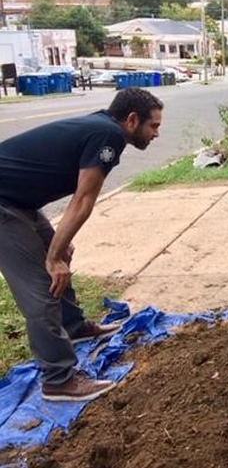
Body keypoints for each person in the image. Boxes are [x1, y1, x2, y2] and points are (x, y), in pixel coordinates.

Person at [0, 89, 163, 400]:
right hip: (4, 205)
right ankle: (58, 380)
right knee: (42, 288)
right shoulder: (109, 136)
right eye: (153, 126)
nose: (156, 133)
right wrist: (53, 256)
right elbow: (84, 199)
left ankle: (73, 327)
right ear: (131, 120)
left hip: (20, 201)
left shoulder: (102, 126)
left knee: (59, 253)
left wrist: (60, 246)